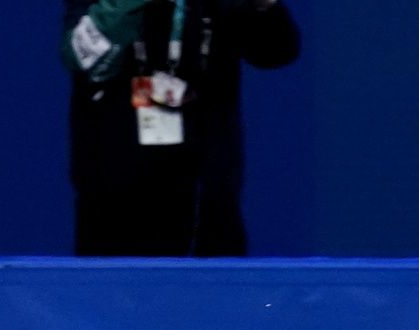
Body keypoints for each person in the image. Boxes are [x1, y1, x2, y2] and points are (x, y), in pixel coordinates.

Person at [61, 0, 300, 256]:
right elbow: (79, 56)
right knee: (112, 282)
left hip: (206, 190)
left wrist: (264, 6)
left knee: (212, 276)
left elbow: (276, 52)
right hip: (113, 194)